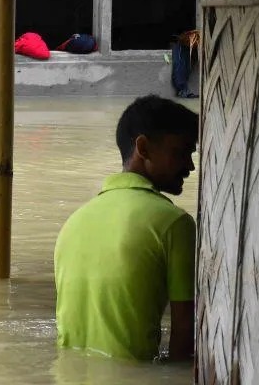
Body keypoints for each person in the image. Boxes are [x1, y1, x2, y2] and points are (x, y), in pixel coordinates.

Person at [54, 95, 198, 362]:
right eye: (182, 152)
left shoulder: (73, 222)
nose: (190, 166)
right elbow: (184, 336)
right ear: (142, 147)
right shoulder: (174, 223)